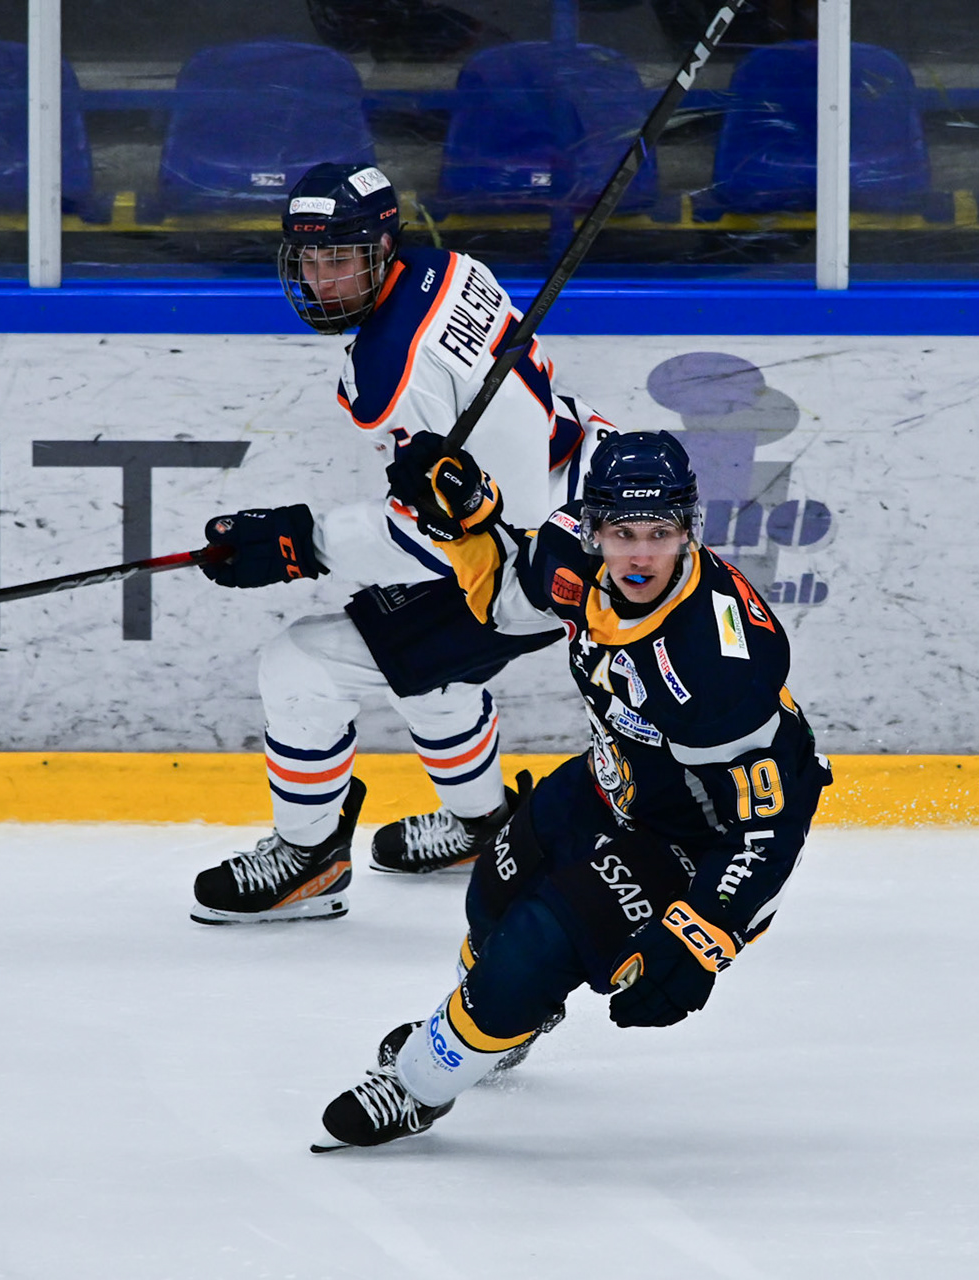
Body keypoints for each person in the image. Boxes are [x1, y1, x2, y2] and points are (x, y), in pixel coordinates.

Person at [310, 429, 831, 1150]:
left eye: (660, 533)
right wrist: (469, 516)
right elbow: (505, 594)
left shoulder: (715, 662)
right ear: (592, 529)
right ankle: (503, 1026)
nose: (640, 555)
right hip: (615, 780)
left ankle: (418, 1086)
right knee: (494, 893)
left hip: (693, 843)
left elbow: (770, 826)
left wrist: (704, 937)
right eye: (622, 533)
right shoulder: (574, 558)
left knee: (531, 948)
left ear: (688, 530)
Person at [190, 161, 615, 925]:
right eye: (308, 259)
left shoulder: (393, 366)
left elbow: (443, 533)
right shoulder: (448, 269)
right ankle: (484, 831)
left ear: (382, 248)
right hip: (580, 486)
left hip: (534, 558)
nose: (320, 279)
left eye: (338, 259)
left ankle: (308, 859)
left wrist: (301, 544)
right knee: (430, 666)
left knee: (302, 663)